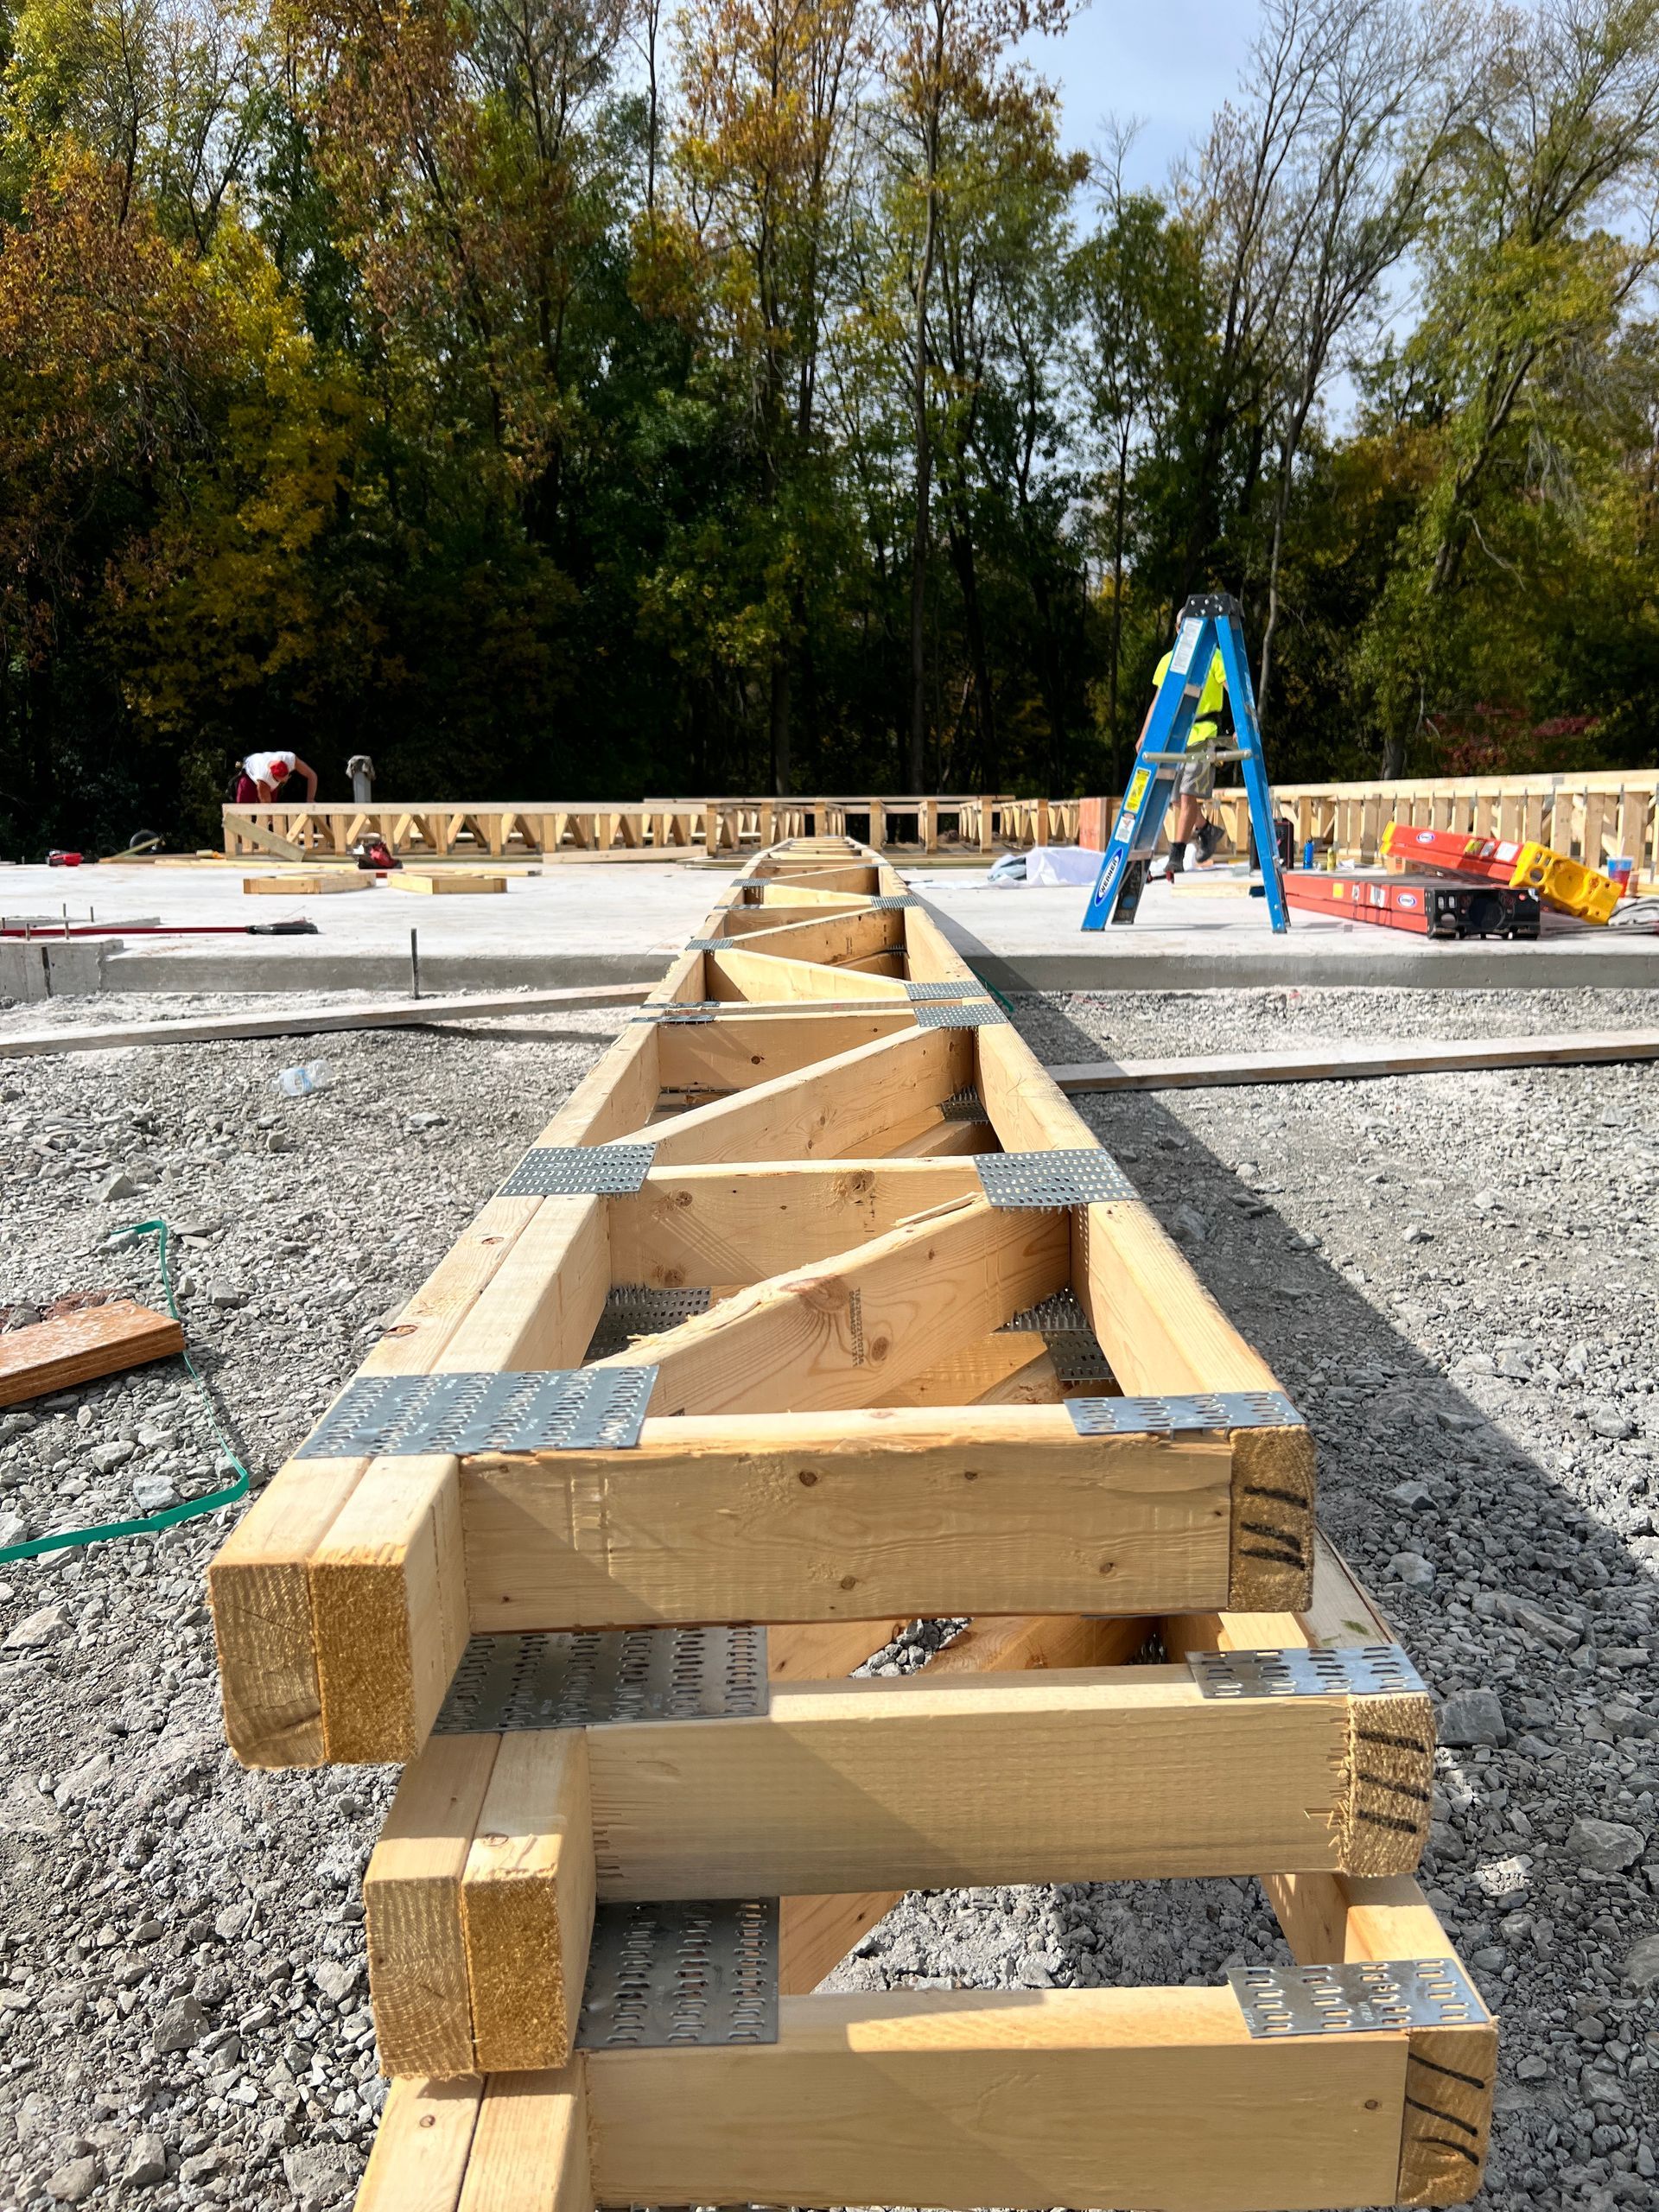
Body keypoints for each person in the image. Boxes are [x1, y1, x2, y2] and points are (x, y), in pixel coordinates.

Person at [1145, 641, 1225, 874]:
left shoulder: (1214, 656)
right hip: (1178, 735)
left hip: (1204, 734)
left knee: (1187, 796)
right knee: (1176, 800)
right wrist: (1145, 735)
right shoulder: (1168, 660)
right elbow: (1159, 702)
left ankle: (1176, 855)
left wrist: (1243, 724)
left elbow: (1235, 689)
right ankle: (1206, 830)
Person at [241, 749, 318, 804]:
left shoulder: (290, 759)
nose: (287, 778)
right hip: (249, 773)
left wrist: (310, 799)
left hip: (263, 766)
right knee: (243, 808)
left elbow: (312, 775)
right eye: (282, 779)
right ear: (274, 776)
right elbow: (266, 806)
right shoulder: (264, 779)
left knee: (274, 806)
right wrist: (270, 819)